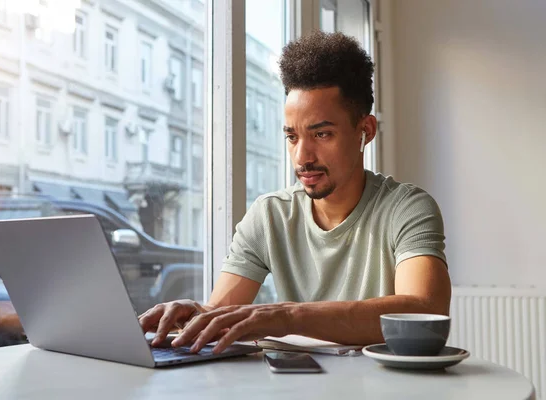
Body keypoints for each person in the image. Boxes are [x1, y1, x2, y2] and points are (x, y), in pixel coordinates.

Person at [139, 31, 451, 354]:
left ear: (365, 131)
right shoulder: (269, 216)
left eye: (322, 134)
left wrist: (288, 316)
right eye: (292, 137)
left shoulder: (408, 209)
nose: (303, 156)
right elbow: (221, 315)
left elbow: (424, 311)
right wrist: (195, 316)